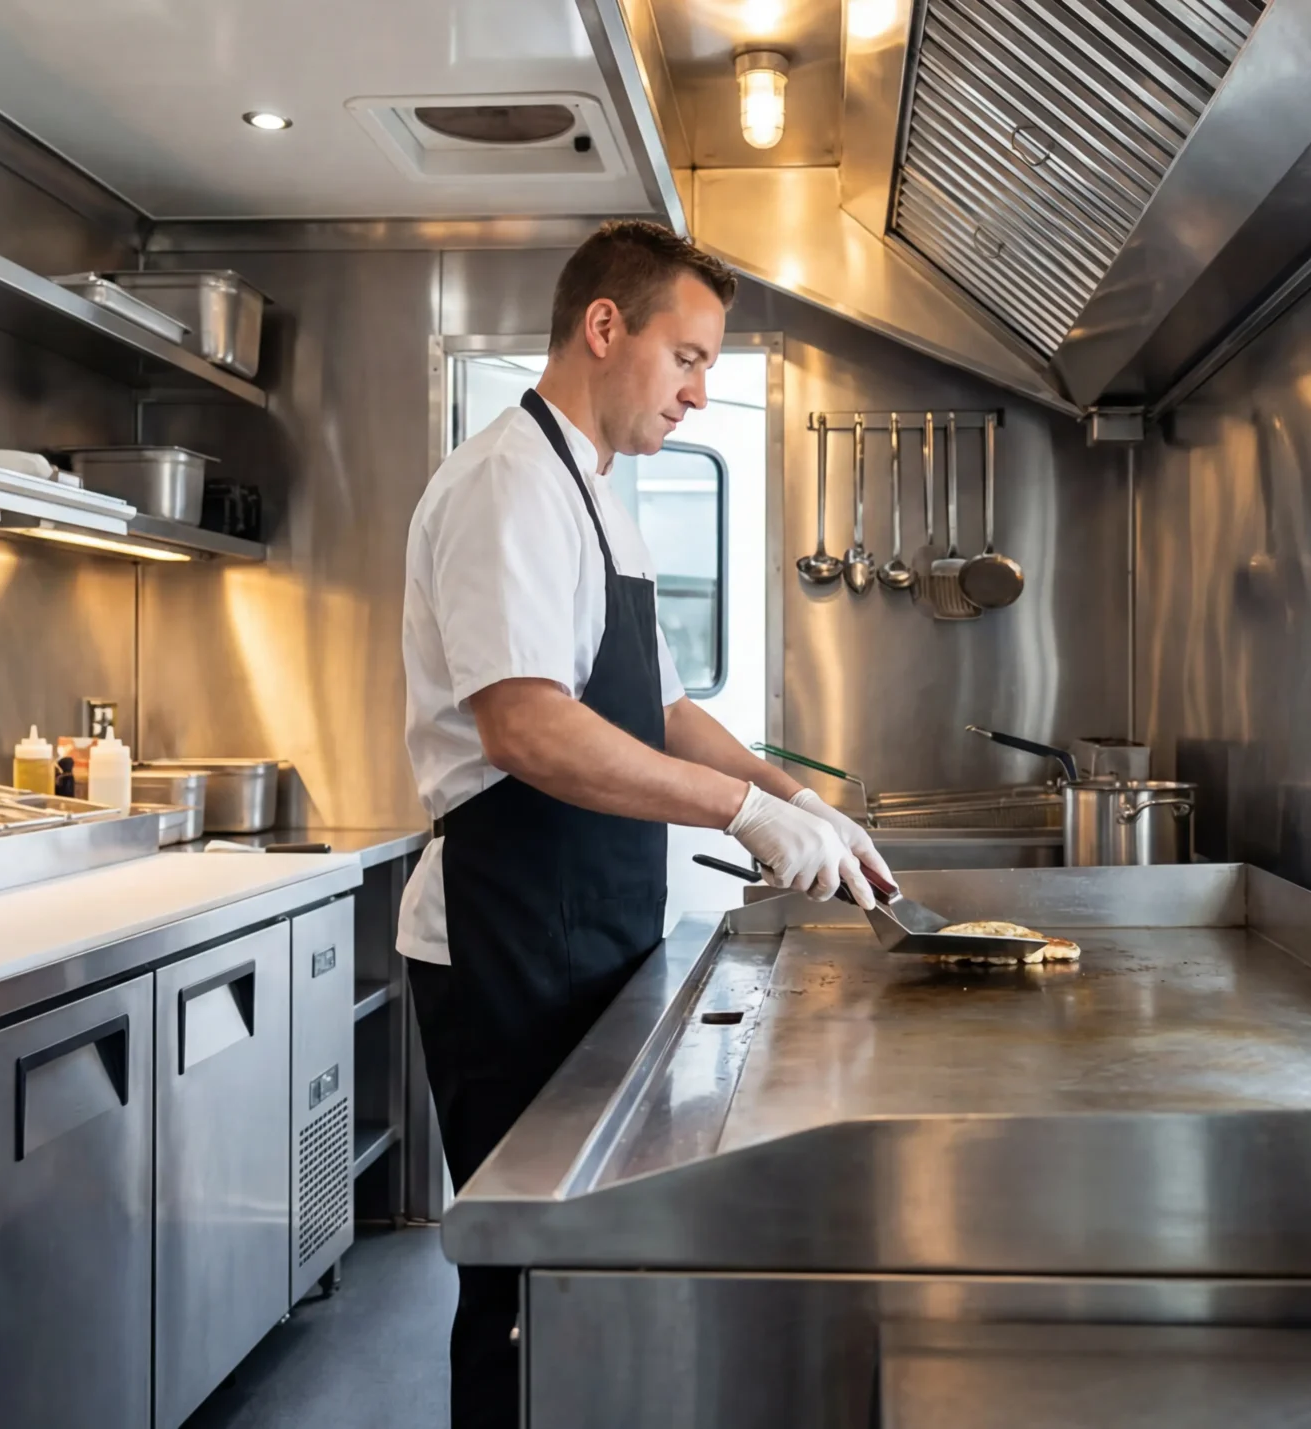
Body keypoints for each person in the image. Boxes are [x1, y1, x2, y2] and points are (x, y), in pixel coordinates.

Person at [397, 218, 891, 1427]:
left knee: (585, 1254)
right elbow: (525, 727)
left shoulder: (597, 490)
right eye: (689, 355)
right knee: (521, 1269)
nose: (699, 390)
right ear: (604, 326)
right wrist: (740, 813)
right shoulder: (507, 480)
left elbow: (659, 708)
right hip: (506, 930)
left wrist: (790, 797)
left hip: (587, 921)